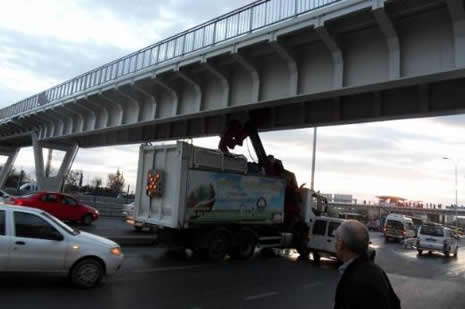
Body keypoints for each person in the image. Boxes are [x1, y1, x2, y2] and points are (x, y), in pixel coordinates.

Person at [334, 220, 401, 309]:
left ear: (341, 243)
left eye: (336, 239)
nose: (334, 243)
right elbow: (395, 304)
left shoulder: (355, 281)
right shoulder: (376, 271)